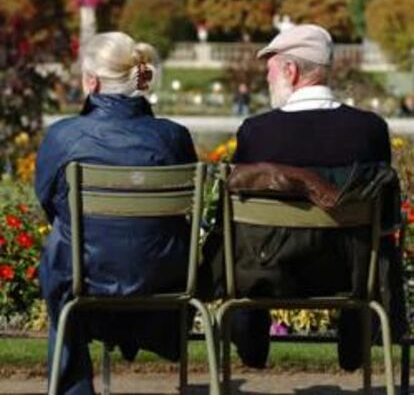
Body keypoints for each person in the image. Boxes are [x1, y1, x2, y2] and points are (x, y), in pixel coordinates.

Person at [201, 24, 405, 371]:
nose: (267, 80)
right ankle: (355, 342)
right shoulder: (369, 130)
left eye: (270, 71)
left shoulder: (257, 132)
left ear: (291, 71)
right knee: (376, 243)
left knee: (234, 240)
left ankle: (251, 340)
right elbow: (385, 220)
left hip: (268, 277)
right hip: (350, 277)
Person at [35, 32, 197, 394]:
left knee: (59, 252)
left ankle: (74, 387)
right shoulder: (174, 138)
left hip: (86, 277)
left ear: (91, 82)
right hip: (163, 277)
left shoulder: (63, 137)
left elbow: (48, 203)